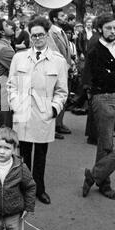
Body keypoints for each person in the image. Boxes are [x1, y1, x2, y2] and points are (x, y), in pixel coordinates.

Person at [7, 16, 68, 204]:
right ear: (29, 36)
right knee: (22, 154)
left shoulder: (58, 61)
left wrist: (53, 110)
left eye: (41, 35)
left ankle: (39, 189)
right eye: (34, 36)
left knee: (41, 155)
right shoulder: (19, 58)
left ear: (47, 35)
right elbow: (11, 85)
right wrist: (16, 104)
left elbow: (62, 91)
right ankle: (23, 188)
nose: (37, 39)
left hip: (44, 114)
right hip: (23, 114)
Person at [82, 12, 115, 199]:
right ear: (100, 29)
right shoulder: (94, 51)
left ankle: (94, 175)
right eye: (108, 27)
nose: (113, 31)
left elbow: (113, 77)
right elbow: (103, 79)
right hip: (104, 98)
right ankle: (105, 184)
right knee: (106, 144)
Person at [48, 8, 71, 139]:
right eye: (62, 15)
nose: (65, 16)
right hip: (57, 71)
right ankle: (52, 127)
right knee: (54, 98)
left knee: (63, 98)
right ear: (55, 19)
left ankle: (59, 124)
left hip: (64, 70)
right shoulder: (51, 32)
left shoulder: (61, 31)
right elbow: (54, 52)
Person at [0, 18, 15, 128]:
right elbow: (17, 69)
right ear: (2, 32)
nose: (11, 26)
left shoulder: (2, 45)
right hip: (6, 91)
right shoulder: (4, 49)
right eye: (7, 25)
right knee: (5, 129)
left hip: (4, 88)